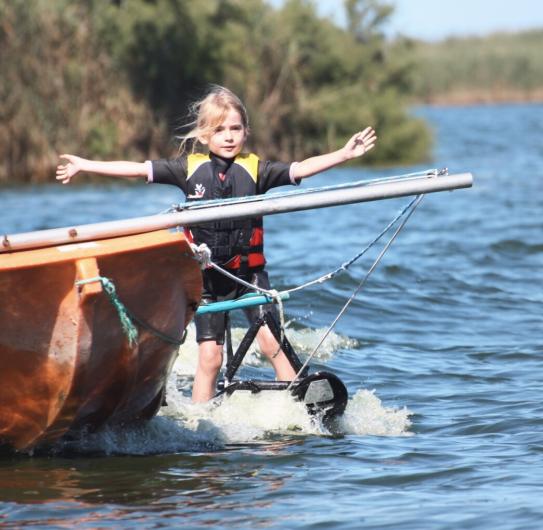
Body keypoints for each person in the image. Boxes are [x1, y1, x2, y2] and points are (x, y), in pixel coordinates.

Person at [56, 85, 377, 403]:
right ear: (204, 135)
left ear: (246, 132)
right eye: (219, 129)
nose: (228, 136)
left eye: (235, 128)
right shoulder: (188, 169)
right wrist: (86, 164)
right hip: (208, 280)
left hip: (248, 278)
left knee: (271, 344)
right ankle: (201, 420)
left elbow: (301, 168)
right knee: (210, 358)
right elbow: (138, 169)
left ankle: (293, 409)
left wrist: (344, 154)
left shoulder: (257, 170)